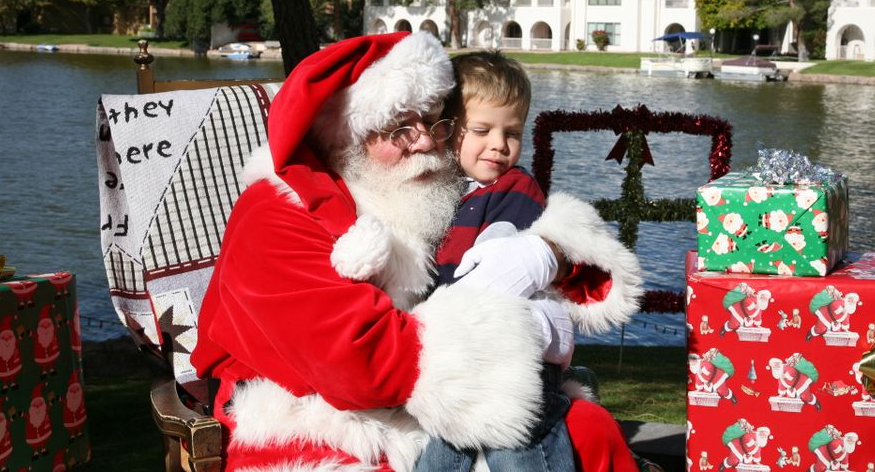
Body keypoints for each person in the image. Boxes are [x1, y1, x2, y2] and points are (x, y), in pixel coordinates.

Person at [191, 32, 644, 472]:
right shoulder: (277, 212)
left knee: (590, 428)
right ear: (346, 136)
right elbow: (362, 360)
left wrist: (550, 251)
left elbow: (571, 268)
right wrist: (521, 326)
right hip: (315, 423)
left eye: (433, 122)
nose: (426, 141)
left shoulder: (424, 191)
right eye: (400, 129)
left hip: (411, 408)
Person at [332, 51, 641, 471]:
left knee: (517, 446)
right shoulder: (440, 190)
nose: (499, 144)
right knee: (440, 456)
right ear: (450, 130)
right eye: (482, 130)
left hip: (512, 353)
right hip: (459, 356)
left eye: (512, 132)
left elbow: (500, 267)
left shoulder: (515, 188)